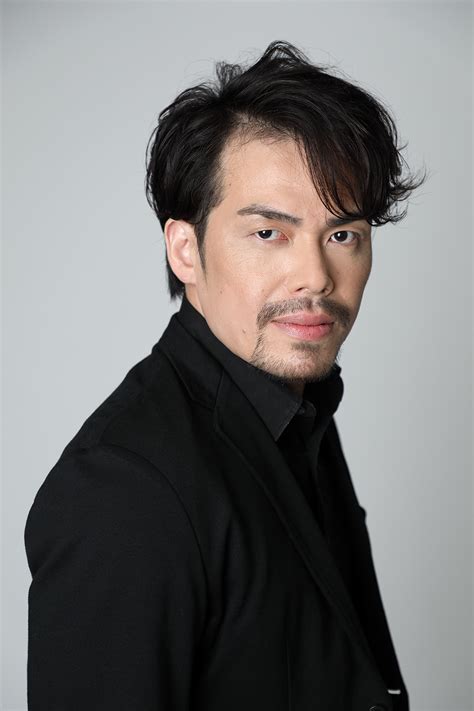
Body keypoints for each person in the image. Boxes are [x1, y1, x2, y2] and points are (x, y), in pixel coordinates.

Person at [24, 40, 425, 711]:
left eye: (343, 235)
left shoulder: (296, 412)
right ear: (185, 249)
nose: (316, 277)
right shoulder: (124, 490)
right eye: (269, 233)